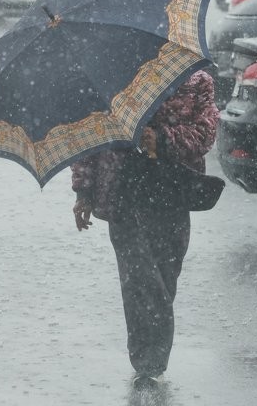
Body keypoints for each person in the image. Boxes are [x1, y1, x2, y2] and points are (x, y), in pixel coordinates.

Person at [70, 70, 219, 389]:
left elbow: (206, 132)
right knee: (138, 278)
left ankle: (153, 351)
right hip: (123, 192)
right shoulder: (107, 76)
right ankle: (147, 359)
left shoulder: (196, 81)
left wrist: (163, 139)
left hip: (172, 191)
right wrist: (83, 191)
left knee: (164, 277)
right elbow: (89, 134)